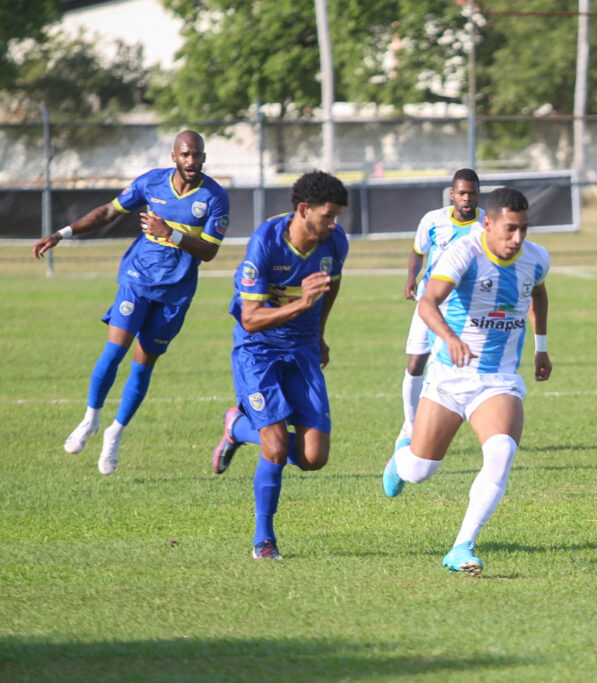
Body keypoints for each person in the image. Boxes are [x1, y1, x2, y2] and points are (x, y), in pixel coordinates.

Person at [31, 130, 229, 475]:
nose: (192, 162)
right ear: (174, 157)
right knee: (113, 352)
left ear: (203, 158)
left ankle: (114, 433)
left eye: (197, 155)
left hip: (175, 293)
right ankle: (90, 419)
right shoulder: (151, 183)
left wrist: (171, 233)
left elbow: (210, 252)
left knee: (143, 365)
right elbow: (108, 211)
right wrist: (61, 234)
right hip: (137, 281)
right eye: (185, 155)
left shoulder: (215, 198)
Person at [381, 186, 552, 576]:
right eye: (510, 229)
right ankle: (400, 458)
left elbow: (538, 294)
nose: (518, 239)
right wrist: (451, 338)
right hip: (449, 377)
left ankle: (462, 546)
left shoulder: (536, 258)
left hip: (498, 380)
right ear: (488, 223)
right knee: (420, 471)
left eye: (524, 229)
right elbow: (427, 303)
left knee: (502, 452)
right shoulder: (465, 253)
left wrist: (541, 348)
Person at [211, 170, 349, 560]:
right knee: (273, 447)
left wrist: (318, 331)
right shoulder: (265, 244)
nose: (333, 224)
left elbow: (332, 283)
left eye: (336, 216)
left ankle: (236, 427)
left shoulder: (334, 242)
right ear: (304, 210)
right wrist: (301, 305)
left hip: (302, 348)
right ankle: (264, 540)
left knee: (313, 458)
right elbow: (250, 318)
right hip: (258, 350)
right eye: (328, 216)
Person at [394, 168, 484, 452]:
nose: (467, 198)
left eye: (472, 193)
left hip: (467, 306)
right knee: (415, 363)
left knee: (460, 365)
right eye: (462, 193)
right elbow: (418, 251)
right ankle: (410, 426)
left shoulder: (487, 223)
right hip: (431, 302)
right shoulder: (433, 220)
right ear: (452, 194)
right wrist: (411, 277)